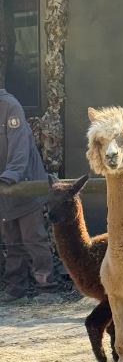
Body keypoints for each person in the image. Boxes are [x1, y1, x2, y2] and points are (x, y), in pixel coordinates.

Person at [0, 89, 58, 302]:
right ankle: (15, 289)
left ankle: (47, 289)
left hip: (24, 182)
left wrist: (10, 176)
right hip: (4, 188)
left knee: (33, 237)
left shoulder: (9, 106)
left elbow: (19, 148)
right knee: (10, 238)